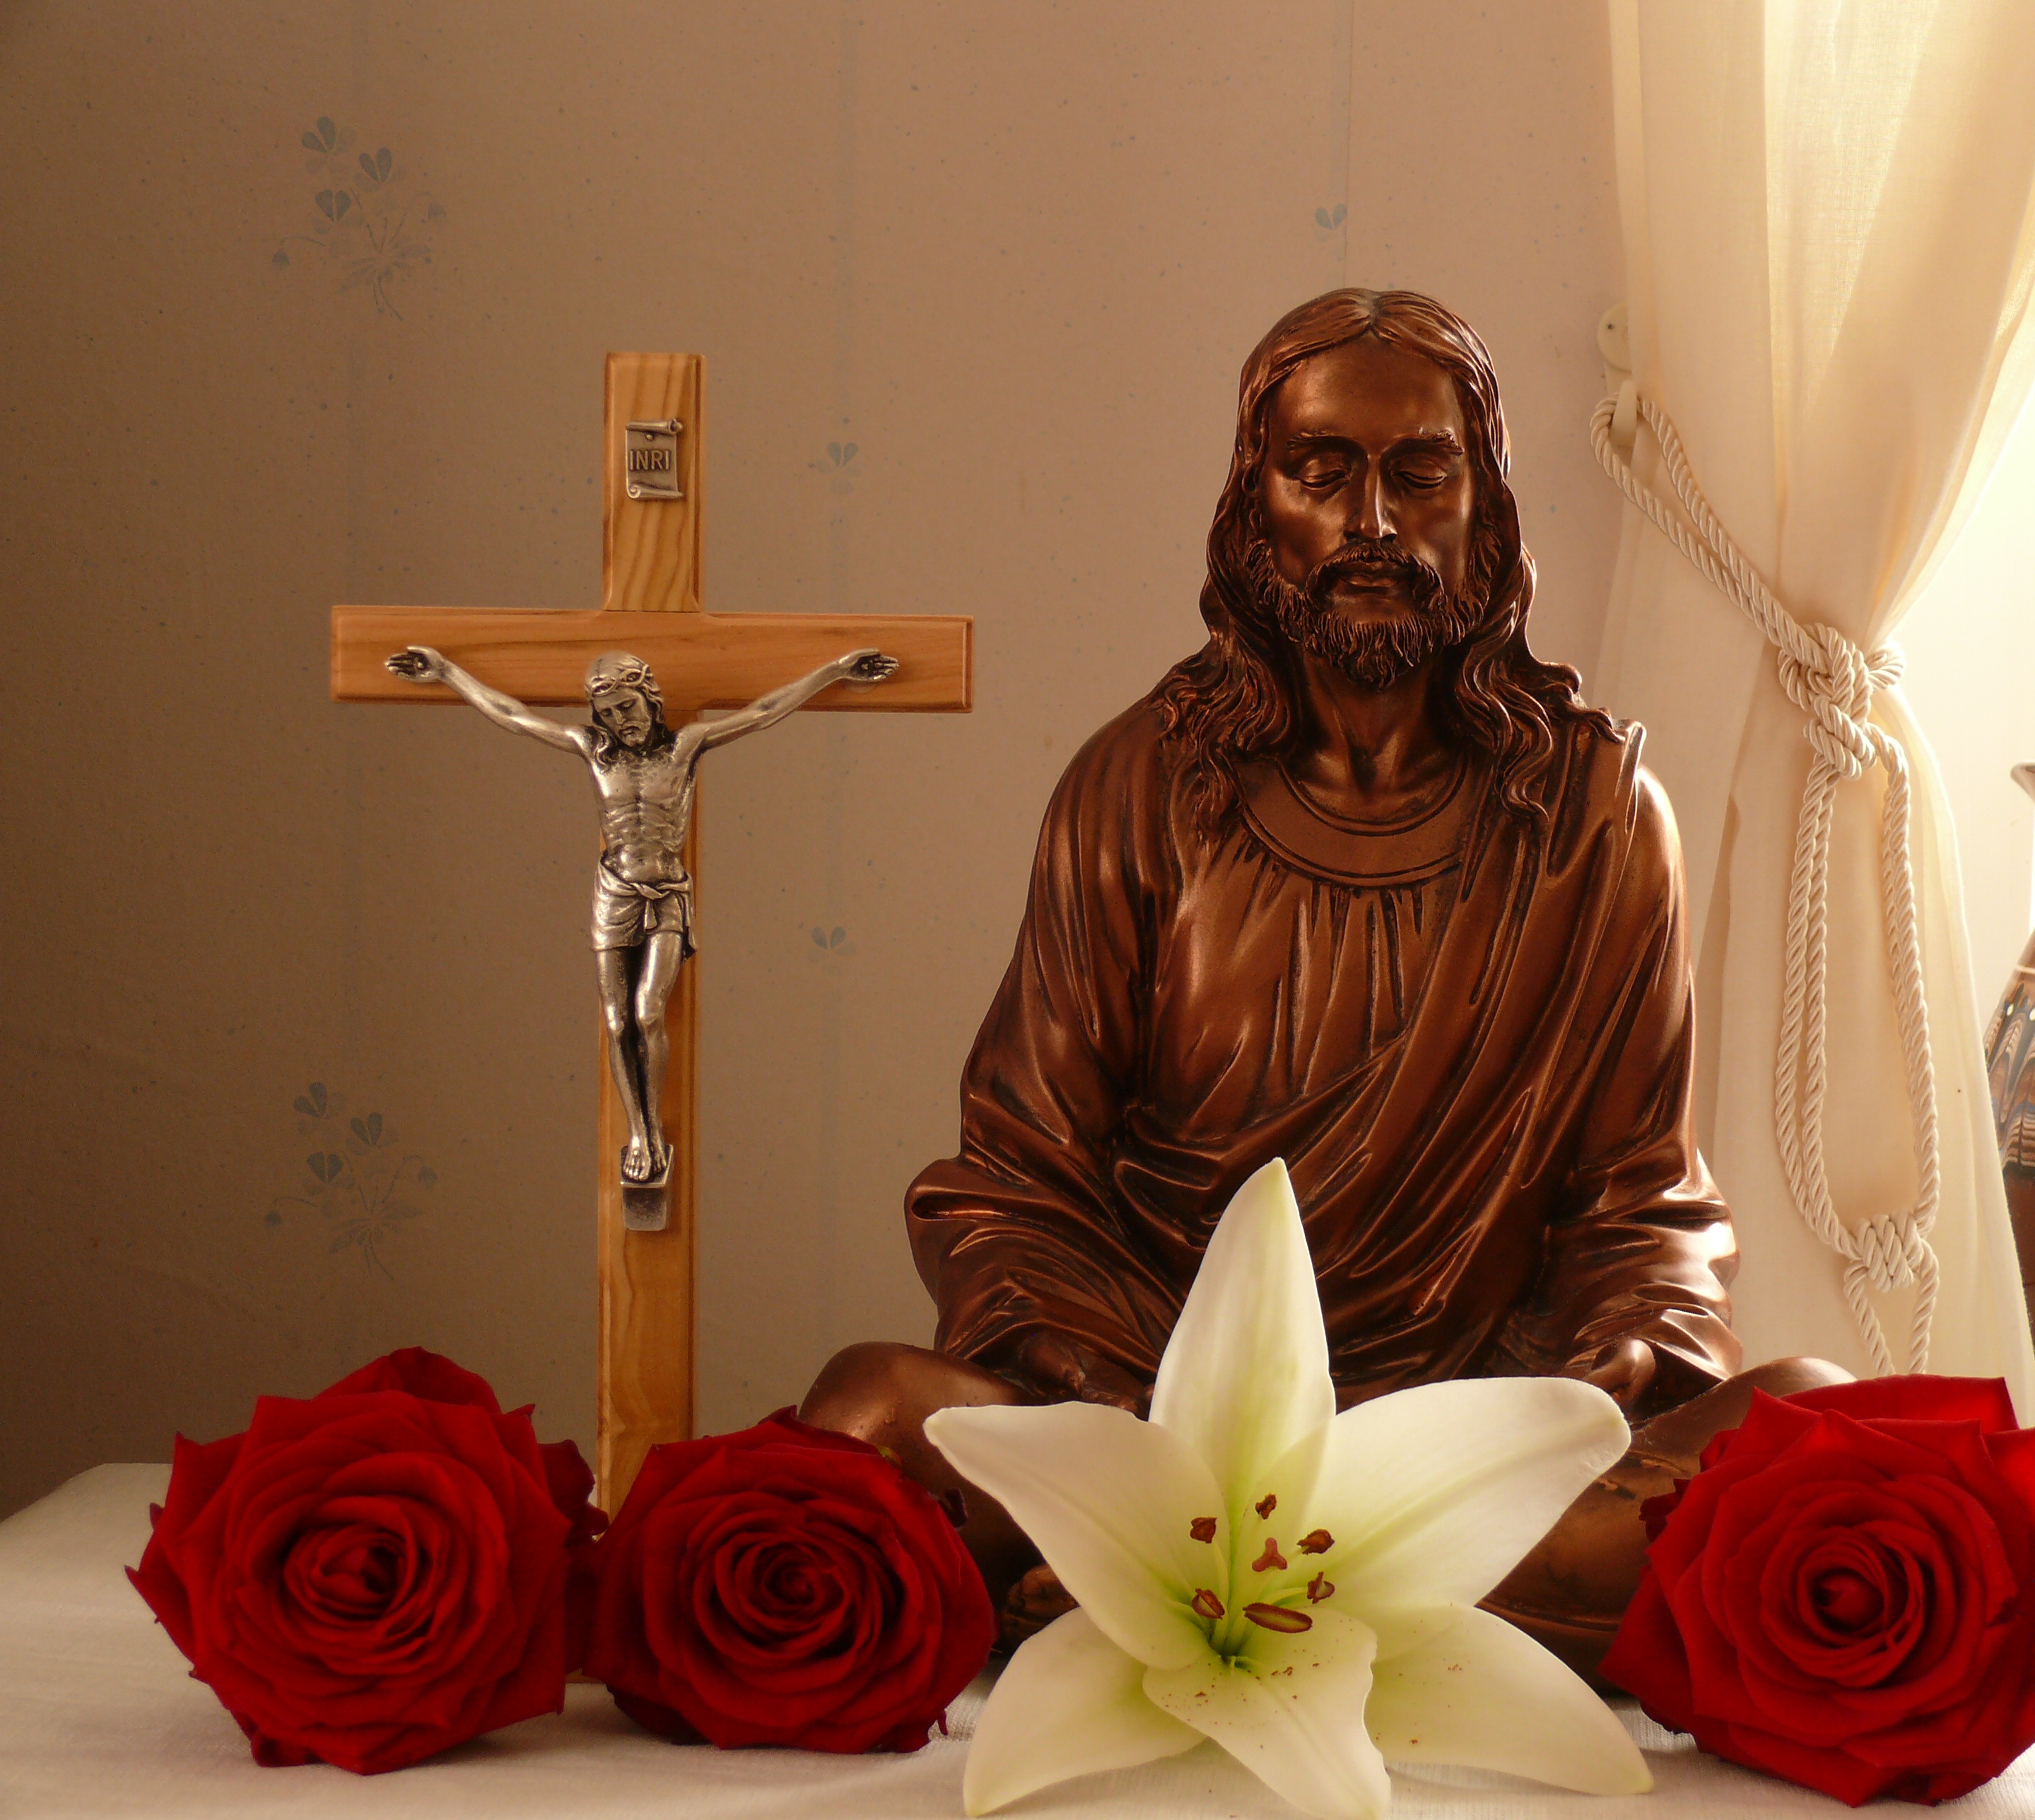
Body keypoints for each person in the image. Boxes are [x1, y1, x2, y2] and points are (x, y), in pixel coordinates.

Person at [802, 290, 1840, 1668]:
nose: (1372, 525)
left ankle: (1241, 1602)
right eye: (1321, 473)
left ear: (1488, 510)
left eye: (1420, 474)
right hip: (1170, 1438)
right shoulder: (1137, 791)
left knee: (1813, 1433)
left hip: (1483, 1448)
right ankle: (1389, 1603)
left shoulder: (1593, 814)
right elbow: (1014, 1189)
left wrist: (1608, 1369)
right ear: (1255, 509)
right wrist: (1151, 1420)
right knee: (871, 1414)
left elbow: (1642, 1204)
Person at [385, 642, 896, 1189]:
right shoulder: (593, 749)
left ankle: (652, 1127)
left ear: (650, 697)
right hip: (614, 893)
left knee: (650, 1011)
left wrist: (833, 672)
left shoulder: (685, 748)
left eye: (626, 706)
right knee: (615, 1020)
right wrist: (447, 673)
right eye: (606, 713)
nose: (618, 720)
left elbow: (762, 713)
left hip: (667, 893)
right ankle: (643, 1135)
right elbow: (514, 717)